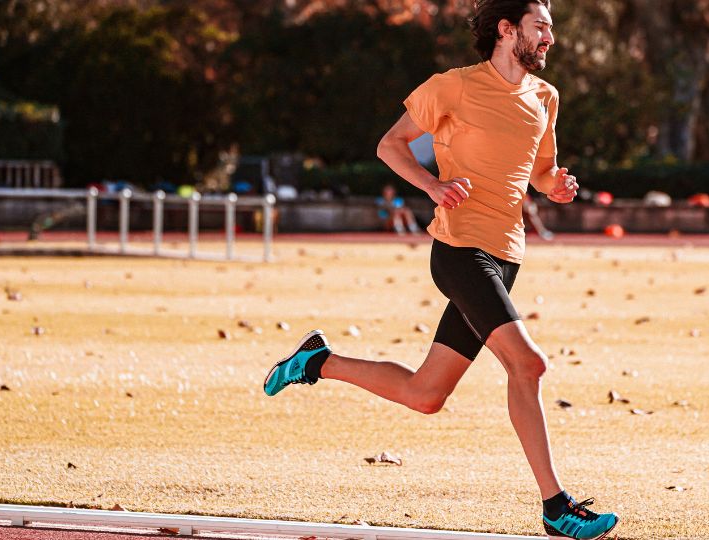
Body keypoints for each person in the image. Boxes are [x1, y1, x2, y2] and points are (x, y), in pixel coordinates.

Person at [263, 1, 619, 538]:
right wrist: (432, 186)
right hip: (459, 250)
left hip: (507, 256)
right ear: (507, 29)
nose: (550, 37)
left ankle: (317, 361)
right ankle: (556, 506)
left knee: (426, 395)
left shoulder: (546, 97)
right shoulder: (453, 86)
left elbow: (541, 173)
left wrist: (557, 187)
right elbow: (391, 145)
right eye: (540, 26)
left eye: (551, 28)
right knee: (529, 364)